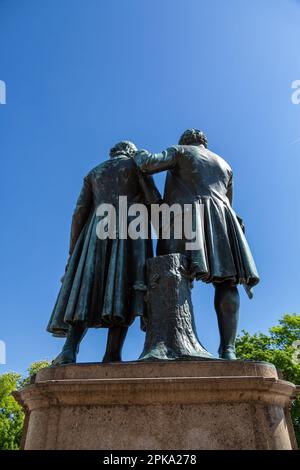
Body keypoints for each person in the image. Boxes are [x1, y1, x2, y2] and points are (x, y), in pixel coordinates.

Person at [135, 129, 259, 360]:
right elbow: (228, 200)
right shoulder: (225, 164)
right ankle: (228, 349)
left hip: (184, 217)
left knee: (171, 277)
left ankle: (171, 343)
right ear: (204, 142)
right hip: (221, 219)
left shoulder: (179, 151)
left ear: (185, 140)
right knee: (227, 283)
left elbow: (148, 164)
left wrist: (136, 152)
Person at [47, 140, 161, 365]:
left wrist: (74, 250)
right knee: (124, 289)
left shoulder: (94, 173)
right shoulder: (137, 166)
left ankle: (69, 349)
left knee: (86, 290)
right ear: (130, 151)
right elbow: (154, 201)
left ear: (112, 153)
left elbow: (79, 212)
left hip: (95, 234)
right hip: (131, 229)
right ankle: (112, 353)